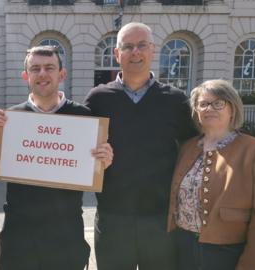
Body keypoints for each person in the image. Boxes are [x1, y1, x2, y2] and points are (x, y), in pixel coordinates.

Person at [0, 46, 113, 270]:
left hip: (65, 238)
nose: (42, 73)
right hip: (19, 239)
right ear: (26, 76)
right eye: (35, 68)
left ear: (61, 75)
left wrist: (105, 159)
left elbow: (95, 170)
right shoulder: (12, 118)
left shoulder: (85, 118)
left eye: (49, 68)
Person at [84, 22, 197, 270]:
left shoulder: (176, 100)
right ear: (117, 54)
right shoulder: (98, 98)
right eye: (128, 46)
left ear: (153, 50)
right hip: (113, 219)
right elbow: (73, 143)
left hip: (160, 221)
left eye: (142, 45)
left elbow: (196, 149)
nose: (135, 52)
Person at [167, 79, 255, 270]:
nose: (209, 108)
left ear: (232, 109)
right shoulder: (187, 147)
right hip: (183, 247)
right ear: (196, 111)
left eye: (218, 103)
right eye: (203, 104)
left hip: (227, 253)